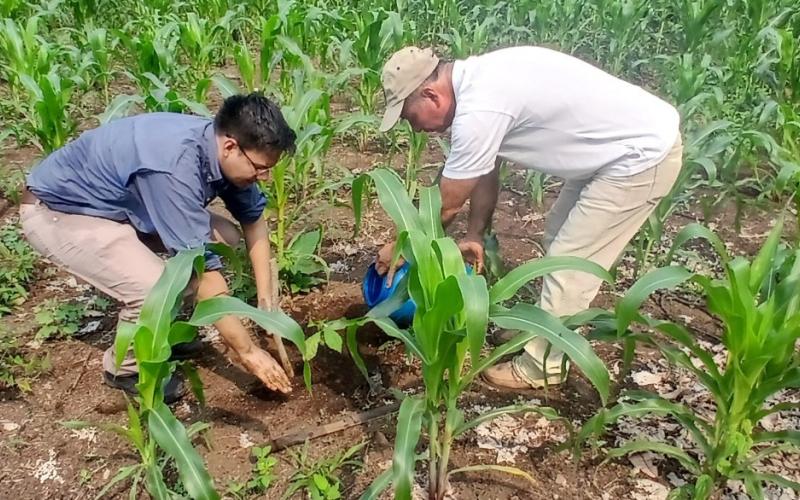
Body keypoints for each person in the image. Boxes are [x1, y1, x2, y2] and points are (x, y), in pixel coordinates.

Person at [376, 46, 682, 390]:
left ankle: (543, 364)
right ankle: (541, 326)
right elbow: (484, 169)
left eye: (410, 117)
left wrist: (401, 247)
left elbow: (446, 204)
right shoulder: (478, 83)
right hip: (612, 150)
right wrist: (475, 233)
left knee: (571, 259)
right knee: (558, 237)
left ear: (431, 95)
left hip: (639, 157)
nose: (416, 129)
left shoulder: (480, 110)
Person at [21, 93, 296, 402]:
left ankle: (161, 330)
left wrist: (266, 307)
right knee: (154, 289)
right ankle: (127, 369)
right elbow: (203, 274)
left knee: (225, 239)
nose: (265, 177)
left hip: (123, 207)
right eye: (260, 168)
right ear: (231, 147)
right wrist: (248, 351)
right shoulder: (174, 167)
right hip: (61, 213)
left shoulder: (220, 149)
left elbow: (253, 220)